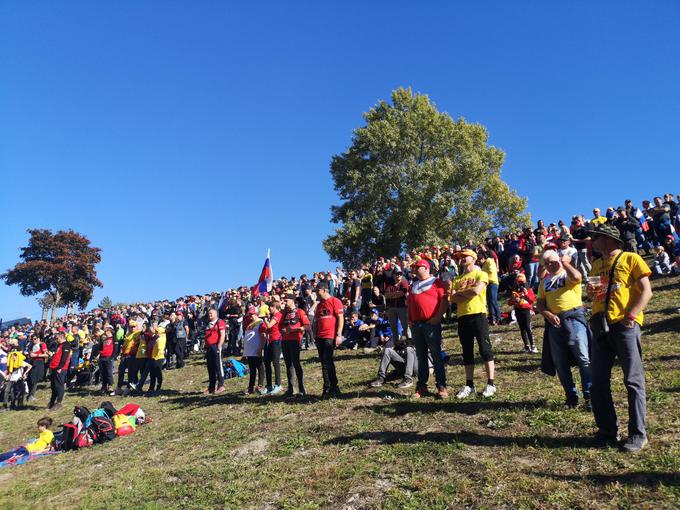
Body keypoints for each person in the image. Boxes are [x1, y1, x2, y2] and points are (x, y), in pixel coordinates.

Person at [587, 223, 653, 452]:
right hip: (600, 325)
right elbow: (595, 294)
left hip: (624, 325)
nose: (592, 240)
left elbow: (646, 290)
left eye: (596, 236)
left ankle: (638, 434)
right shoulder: (595, 264)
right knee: (598, 382)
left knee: (633, 380)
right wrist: (593, 296)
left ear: (608, 239)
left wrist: (631, 316)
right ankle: (607, 431)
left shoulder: (631, 258)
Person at [536, 250, 591, 409]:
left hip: (573, 318)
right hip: (555, 322)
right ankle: (571, 398)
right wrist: (547, 314)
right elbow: (540, 303)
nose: (550, 265)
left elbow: (577, 278)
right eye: (546, 263)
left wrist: (565, 263)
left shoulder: (567, 274)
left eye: (552, 261)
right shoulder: (544, 282)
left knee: (583, 357)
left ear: (559, 260)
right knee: (560, 362)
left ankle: (590, 396)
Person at [450, 249, 497, 399]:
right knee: (467, 352)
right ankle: (469, 384)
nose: (462, 259)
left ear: (474, 258)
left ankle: (491, 383)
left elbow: (477, 291)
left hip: (478, 314)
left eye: (465, 256)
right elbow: (452, 298)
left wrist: (461, 293)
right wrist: (465, 293)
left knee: (485, 349)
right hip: (462, 317)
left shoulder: (481, 273)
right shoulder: (457, 279)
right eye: (460, 257)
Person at [407, 258, 448, 399]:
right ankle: (422, 386)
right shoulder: (412, 285)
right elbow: (410, 304)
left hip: (431, 324)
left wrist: (437, 317)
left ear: (425, 267)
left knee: (436, 355)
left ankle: (441, 386)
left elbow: (444, 300)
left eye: (416, 267)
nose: (414, 269)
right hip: (416, 325)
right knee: (421, 357)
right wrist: (409, 320)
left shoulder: (436, 282)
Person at [312, 282, 344, 398]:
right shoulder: (320, 305)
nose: (316, 293)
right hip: (320, 337)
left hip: (330, 336)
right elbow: (316, 320)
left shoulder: (335, 301)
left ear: (324, 290)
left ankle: (329, 388)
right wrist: (315, 334)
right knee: (324, 363)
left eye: (318, 291)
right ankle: (331, 387)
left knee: (327, 362)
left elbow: (340, 318)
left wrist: (339, 335)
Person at [280, 294, 310, 397]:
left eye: (286, 300)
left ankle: (301, 389)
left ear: (292, 301)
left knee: (296, 364)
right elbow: (280, 326)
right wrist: (283, 330)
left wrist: (294, 330)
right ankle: (291, 388)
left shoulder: (300, 312)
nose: (284, 302)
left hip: (295, 340)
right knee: (288, 365)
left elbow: (307, 326)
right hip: (284, 341)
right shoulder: (284, 313)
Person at [508, 273, 537, 353]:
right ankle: (526, 346)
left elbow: (532, 300)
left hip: (526, 310)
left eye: (521, 282)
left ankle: (533, 346)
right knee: (522, 328)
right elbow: (509, 303)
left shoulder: (528, 289)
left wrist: (526, 294)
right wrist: (514, 300)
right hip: (518, 310)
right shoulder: (515, 291)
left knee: (528, 327)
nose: (520, 284)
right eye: (518, 281)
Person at [243, 305, 267, 395]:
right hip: (249, 350)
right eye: (250, 314)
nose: (250, 316)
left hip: (256, 349)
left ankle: (260, 385)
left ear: (256, 314)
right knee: (252, 369)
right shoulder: (250, 324)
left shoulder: (260, 322)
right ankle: (250, 387)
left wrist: (261, 348)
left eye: (252, 314)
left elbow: (263, 336)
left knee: (260, 367)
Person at [203, 308, 226, 395]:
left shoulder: (219, 322)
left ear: (216, 314)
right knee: (210, 367)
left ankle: (221, 385)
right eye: (209, 313)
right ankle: (211, 387)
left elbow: (222, 335)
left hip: (216, 346)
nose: (210, 315)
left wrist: (219, 346)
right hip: (209, 347)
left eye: (211, 313)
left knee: (218, 366)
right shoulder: (209, 324)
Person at [384, 267, 410, 342]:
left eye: (400, 274)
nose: (398, 275)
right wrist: (396, 294)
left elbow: (402, 293)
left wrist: (392, 295)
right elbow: (386, 295)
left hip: (402, 307)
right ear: (393, 275)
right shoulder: (391, 285)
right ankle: (396, 343)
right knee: (393, 327)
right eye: (396, 274)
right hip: (392, 308)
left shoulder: (404, 282)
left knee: (405, 326)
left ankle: (405, 341)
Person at [262, 302, 283, 395]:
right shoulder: (272, 316)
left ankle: (278, 384)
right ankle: (269, 385)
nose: (269, 309)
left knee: (275, 362)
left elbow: (270, 325)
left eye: (270, 307)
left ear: (275, 307)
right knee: (266, 362)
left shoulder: (278, 315)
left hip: (276, 340)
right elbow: (269, 328)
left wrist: (265, 319)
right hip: (270, 340)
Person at [47, 332, 71, 410]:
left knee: (59, 386)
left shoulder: (66, 345)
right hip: (54, 367)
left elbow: (64, 357)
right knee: (53, 386)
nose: (56, 340)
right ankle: (52, 402)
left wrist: (60, 367)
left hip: (61, 368)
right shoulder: (59, 346)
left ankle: (59, 402)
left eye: (57, 338)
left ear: (61, 337)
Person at [117, 320, 140, 394]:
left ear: (136, 326)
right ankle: (119, 387)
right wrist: (120, 354)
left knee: (131, 372)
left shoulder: (138, 333)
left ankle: (129, 388)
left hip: (133, 355)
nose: (132, 328)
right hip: (125, 354)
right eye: (130, 327)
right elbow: (124, 345)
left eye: (133, 326)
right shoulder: (127, 334)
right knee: (121, 371)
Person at [478, 251, 500, 326]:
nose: (479, 262)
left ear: (483, 258)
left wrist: (483, 276)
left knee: (493, 300)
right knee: (489, 301)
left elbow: (491, 271)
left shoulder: (490, 261)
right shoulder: (484, 265)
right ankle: (492, 318)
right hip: (487, 284)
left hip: (492, 283)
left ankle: (498, 317)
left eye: (480, 260)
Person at [27, 334, 49, 401]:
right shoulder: (31, 345)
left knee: (35, 379)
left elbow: (46, 355)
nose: (33, 340)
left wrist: (36, 355)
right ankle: (29, 394)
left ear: (39, 339)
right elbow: (31, 354)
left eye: (35, 338)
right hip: (32, 362)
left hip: (39, 362)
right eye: (32, 339)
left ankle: (31, 395)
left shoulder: (42, 344)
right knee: (30, 379)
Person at [98, 324, 116, 396]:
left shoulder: (113, 339)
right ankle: (104, 386)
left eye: (107, 331)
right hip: (102, 357)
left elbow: (115, 349)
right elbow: (100, 347)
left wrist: (112, 357)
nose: (105, 332)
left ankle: (111, 387)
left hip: (109, 357)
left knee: (109, 373)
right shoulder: (104, 339)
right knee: (103, 373)